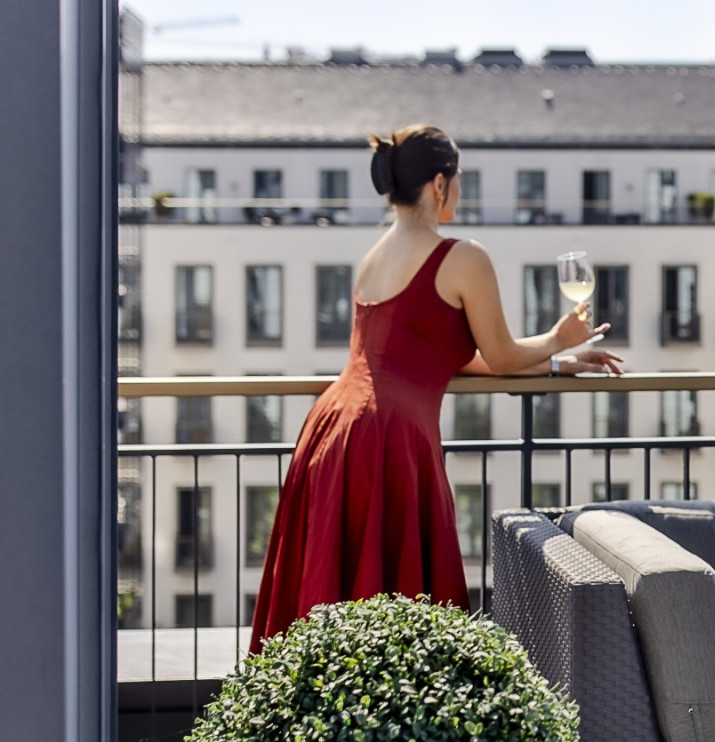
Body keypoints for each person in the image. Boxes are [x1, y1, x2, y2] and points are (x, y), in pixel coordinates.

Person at [247, 124, 624, 651]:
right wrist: (559, 337)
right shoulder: (463, 257)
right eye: (459, 180)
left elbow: (437, 358)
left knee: (333, 591)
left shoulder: (373, 256)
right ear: (441, 184)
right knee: (396, 612)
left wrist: (559, 364)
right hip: (391, 439)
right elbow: (501, 353)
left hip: (333, 429)